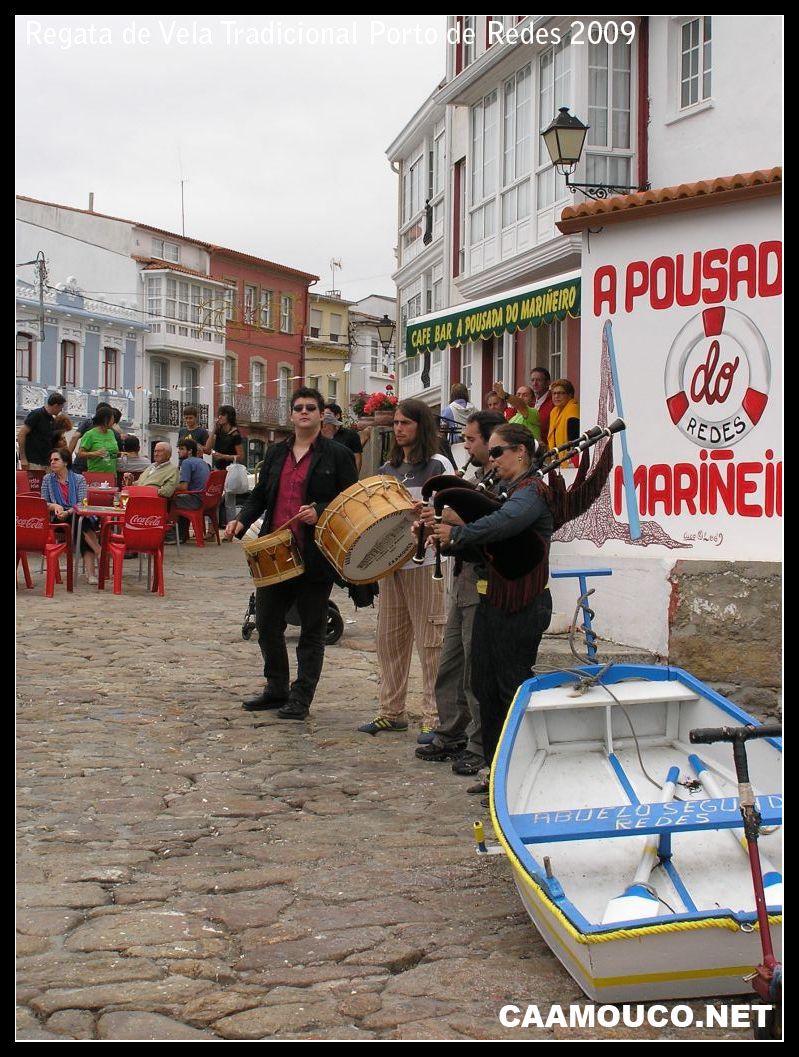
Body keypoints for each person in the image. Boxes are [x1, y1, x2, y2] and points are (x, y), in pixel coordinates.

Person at [430, 423, 553, 793]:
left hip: (522, 604)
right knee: (485, 686)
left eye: (499, 452)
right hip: (492, 599)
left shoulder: (532, 493)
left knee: (510, 687)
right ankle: (498, 769)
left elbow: (503, 524)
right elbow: (486, 544)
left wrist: (460, 532)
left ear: (522, 452)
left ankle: (518, 775)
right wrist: (446, 535)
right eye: (492, 452)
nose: (493, 459)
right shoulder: (506, 489)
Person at [226, 387, 358, 720]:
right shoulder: (275, 453)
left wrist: (321, 510)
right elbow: (259, 496)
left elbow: (350, 503)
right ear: (291, 414)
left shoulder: (338, 455)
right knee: (268, 624)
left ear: (321, 413)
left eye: (310, 408)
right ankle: (276, 689)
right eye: (298, 408)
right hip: (275, 550)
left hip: (314, 553)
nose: (303, 413)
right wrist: (240, 521)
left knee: (312, 630)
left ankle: (301, 698)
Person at [414, 410, 505, 776]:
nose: (465, 447)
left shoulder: (504, 481)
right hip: (461, 577)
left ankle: (480, 744)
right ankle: (451, 732)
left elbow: (492, 525)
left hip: (484, 581)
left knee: (475, 669)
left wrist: (453, 520)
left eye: (471, 441)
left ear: (490, 440)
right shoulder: (478, 477)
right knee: (451, 661)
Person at [357, 399, 454, 740]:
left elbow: (454, 508)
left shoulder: (439, 464)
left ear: (421, 426)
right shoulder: (387, 470)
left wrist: (429, 512)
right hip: (392, 564)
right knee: (390, 641)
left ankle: (434, 716)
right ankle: (391, 711)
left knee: (432, 641)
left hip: (427, 562)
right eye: (396, 423)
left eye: (405, 423)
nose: (398, 428)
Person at [40, 448, 102, 584]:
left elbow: (81, 502)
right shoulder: (47, 479)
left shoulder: (79, 479)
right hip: (56, 518)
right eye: (51, 460)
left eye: (56, 459)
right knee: (80, 522)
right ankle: (98, 553)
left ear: (66, 462)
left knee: (79, 520)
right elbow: (43, 502)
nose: (52, 462)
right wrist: (55, 506)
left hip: (75, 515)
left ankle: (92, 572)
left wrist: (68, 512)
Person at [205, 405, 244, 529]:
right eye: (219, 414)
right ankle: (212, 529)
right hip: (218, 468)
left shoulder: (235, 434)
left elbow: (240, 456)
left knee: (229, 502)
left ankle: (230, 530)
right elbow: (207, 448)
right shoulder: (219, 431)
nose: (220, 417)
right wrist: (213, 430)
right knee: (213, 498)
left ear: (229, 416)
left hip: (230, 470)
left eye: (223, 414)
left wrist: (223, 456)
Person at [169, 438, 211, 542]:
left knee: (168, 500)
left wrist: (168, 486)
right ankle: (183, 535)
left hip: (196, 500)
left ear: (190, 451)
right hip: (207, 500)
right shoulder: (202, 462)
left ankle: (174, 535)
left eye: (182, 449)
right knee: (180, 498)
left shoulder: (187, 463)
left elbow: (183, 487)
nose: (179, 451)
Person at [18, 392, 66, 470]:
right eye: (61, 407)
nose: (61, 410)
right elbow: (21, 434)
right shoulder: (37, 414)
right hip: (33, 462)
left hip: (46, 462)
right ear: (56, 406)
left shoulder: (51, 419)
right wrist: (23, 459)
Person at [78, 408, 121, 475]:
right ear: (105, 419)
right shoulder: (90, 434)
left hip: (111, 475)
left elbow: (111, 453)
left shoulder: (111, 433)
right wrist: (95, 453)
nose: (113, 421)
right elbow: (80, 454)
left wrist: (120, 454)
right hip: (96, 474)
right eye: (112, 419)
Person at [325, 403, 363, 472]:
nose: (325, 417)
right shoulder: (320, 435)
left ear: (337, 416)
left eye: (328, 414)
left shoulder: (351, 435)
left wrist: (355, 478)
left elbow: (357, 457)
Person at [547, 379, 580, 451]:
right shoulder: (554, 412)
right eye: (554, 393)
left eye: (560, 393)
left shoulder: (573, 409)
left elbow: (574, 439)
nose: (556, 396)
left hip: (569, 457)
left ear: (570, 395)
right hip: (556, 457)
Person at [530, 366, 554, 441]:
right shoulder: (530, 402)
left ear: (548, 382)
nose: (535, 383)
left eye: (539, 380)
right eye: (532, 380)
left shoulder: (553, 401)